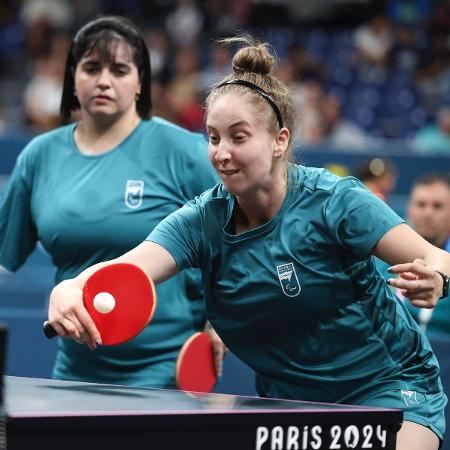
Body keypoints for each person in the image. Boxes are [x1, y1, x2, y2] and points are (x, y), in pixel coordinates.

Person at [46, 36, 450, 450]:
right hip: (290, 411)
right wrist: (69, 288)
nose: (221, 153)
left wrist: (437, 276)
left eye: (238, 138)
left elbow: (436, 256)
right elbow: (129, 269)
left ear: (280, 141)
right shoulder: (202, 220)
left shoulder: (335, 202)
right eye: (213, 137)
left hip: (388, 390)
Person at [0, 16, 223, 388]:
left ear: (140, 83)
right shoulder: (38, 157)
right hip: (73, 374)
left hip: (167, 373)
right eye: (91, 68)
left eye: (120, 69)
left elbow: (240, 240)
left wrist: (221, 322)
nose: (104, 80)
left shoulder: (184, 152)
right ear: (72, 78)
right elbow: (7, 253)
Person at [403, 173, 450, 334]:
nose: (428, 213)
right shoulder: (379, 261)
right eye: (421, 204)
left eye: (437, 206)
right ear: (409, 210)